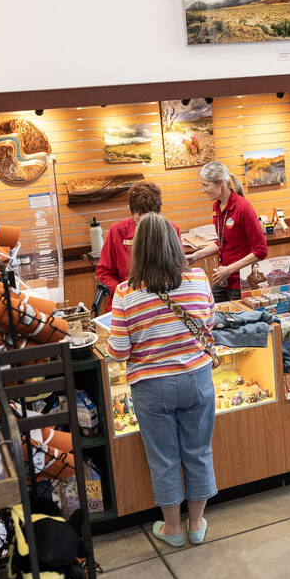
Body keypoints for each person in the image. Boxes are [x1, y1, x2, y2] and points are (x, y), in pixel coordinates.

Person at [104, 213, 217, 547]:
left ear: (137, 250)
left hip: (152, 388)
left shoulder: (126, 293)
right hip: (197, 379)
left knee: (164, 458)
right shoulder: (198, 279)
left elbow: (118, 351)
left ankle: (172, 529)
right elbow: (208, 322)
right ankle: (196, 524)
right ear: (174, 243)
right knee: (198, 451)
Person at [185, 160, 268, 301]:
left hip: (240, 282)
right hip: (223, 278)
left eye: (206, 185)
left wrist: (229, 269)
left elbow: (261, 250)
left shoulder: (243, 208)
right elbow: (222, 241)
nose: (203, 190)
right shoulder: (216, 207)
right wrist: (197, 255)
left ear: (221, 183)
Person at [94, 181, 180, 313]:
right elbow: (104, 272)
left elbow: (178, 270)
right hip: (126, 304)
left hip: (162, 303)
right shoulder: (117, 231)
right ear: (132, 211)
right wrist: (123, 293)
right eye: (141, 221)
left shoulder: (172, 229)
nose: (147, 226)